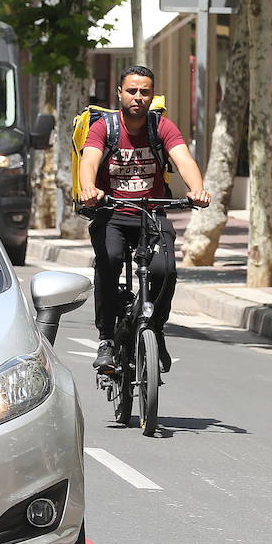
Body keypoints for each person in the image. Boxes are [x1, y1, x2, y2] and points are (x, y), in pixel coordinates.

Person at [77, 65, 210, 373]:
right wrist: (89, 188)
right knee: (109, 262)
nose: (138, 97)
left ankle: (156, 329)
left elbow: (183, 158)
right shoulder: (104, 128)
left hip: (151, 214)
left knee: (166, 270)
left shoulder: (160, 127)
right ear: (120, 93)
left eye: (145, 92)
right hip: (111, 214)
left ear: (152, 96)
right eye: (132, 91)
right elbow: (90, 160)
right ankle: (106, 339)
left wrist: (198, 189)